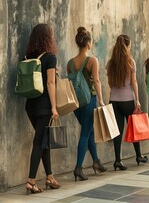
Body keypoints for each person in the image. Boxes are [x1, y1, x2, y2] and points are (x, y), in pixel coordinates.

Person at [24, 23, 60, 194]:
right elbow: (50, 82)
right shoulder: (51, 57)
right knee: (39, 141)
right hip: (44, 107)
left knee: (43, 140)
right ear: (48, 38)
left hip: (30, 106)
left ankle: (50, 176)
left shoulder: (28, 56)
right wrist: (54, 107)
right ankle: (31, 180)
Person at [67, 27, 107, 181]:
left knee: (88, 130)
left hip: (76, 104)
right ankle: (78, 168)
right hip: (89, 100)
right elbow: (96, 81)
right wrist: (101, 100)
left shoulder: (70, 63)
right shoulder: (92, 61)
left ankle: (96, 161)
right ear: (88, 43)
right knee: (85, 133)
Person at [106, 35, 148, 170]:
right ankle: (139, 155)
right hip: (127, 100)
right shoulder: (130, 62)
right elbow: (134, 82)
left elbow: (109, 83)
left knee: (117, 131)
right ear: (127, 46)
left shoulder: (110, 63)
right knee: (133, 127)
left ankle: (118, 160)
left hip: (114, 100)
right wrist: (138, 100)